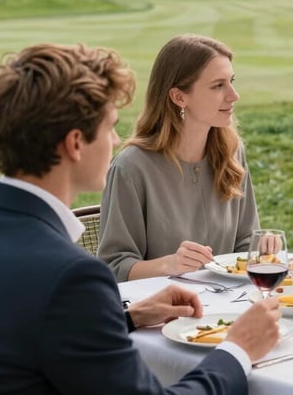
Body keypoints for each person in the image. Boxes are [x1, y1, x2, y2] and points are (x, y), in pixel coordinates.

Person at [0, 43, 281, 394]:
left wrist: (129, 317)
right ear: (75, 143)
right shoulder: (73, 277)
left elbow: (25, 334)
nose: (115, 139)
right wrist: (238, 349)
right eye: (110, 126)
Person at [99, 34, 260, 281]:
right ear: (179, 97)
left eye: (231, 81)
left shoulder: (232, 152)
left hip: (229, 308)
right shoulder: (132, 168)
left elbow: (247, 241)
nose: (234, 95)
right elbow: (113, 267)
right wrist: (169, 264)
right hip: (163, 312)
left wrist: (263, 249)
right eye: (218, 85)